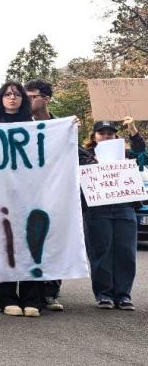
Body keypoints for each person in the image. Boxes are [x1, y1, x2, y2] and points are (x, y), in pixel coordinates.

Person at [0, 82, 43, 317]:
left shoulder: (36, 128)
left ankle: (32, 297)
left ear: (23, 99)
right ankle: (6, 297)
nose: (12, 98)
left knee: (32, 243)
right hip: (0, 196)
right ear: (0, 99)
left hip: (31, 195)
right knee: (3, 245)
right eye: (7, 94)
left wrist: (68, 128)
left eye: (17, 94)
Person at [80, 118, 143, 310]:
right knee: (101, 251)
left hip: (124, 207)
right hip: (97, 210)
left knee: (126, 252)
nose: (106, 137)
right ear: (94, 136)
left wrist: (132, 129)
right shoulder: (85, 155)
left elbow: (141, 154)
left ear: (116, 136)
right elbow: (70, 153)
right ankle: (104, 294)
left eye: (110, 133)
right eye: (102, 133)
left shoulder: (126, 155)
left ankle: (123, 295)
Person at [24, 79, 64, 312]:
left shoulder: (61, 126)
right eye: (26, 96)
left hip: (54, 192)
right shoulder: (20, 125)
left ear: (46, 99)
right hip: (28, 192)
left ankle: (51, 291)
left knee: (53, 240)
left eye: (33, 96)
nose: (29, 100)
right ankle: (34, 292)